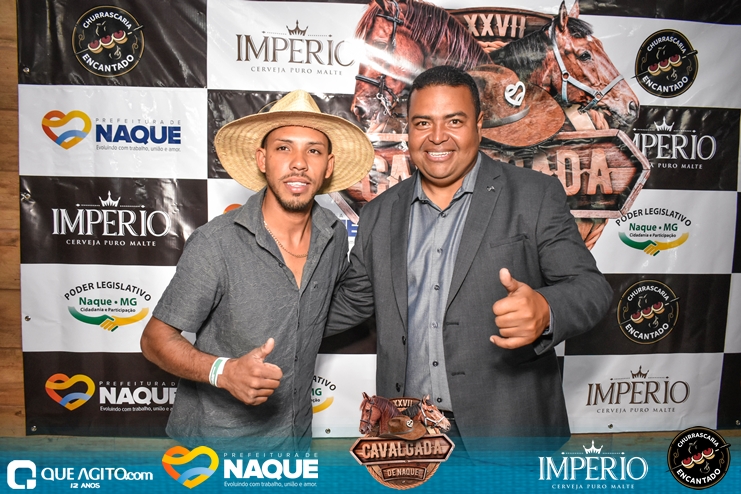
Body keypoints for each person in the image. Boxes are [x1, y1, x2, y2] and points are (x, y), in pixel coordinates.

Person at [326, 66, 613, 452]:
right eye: (423, 122)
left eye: (454, 121)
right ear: (408, 129)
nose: (437, 137)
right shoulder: (380, 212)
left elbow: (591, 288)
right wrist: (262, 326)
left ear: (478, 125)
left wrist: (546, 309)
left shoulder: (534, 194)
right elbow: (350, 303)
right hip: (410, 438)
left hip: (509, 432)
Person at [140, 89, 374, 450]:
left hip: (295, 439)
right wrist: (224, 371)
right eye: (284, 148)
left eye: (313, 150)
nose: (299, 163)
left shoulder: (333, 234)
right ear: (262, 159)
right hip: (215, 449)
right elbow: (155, 340)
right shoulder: (216, 242)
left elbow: (321, 311)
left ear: (328, 166)